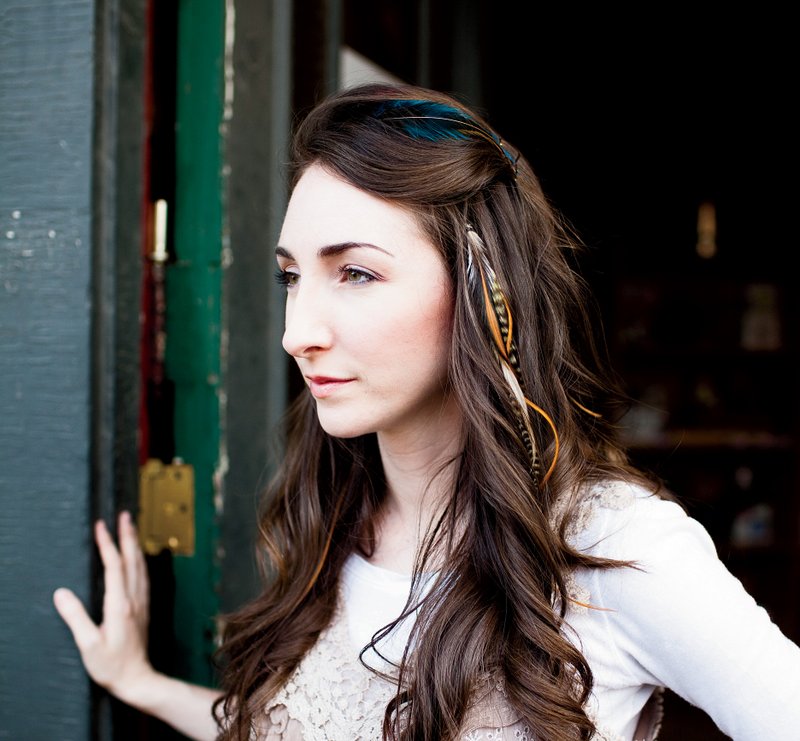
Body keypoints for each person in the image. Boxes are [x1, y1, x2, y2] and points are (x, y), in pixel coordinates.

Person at [54, 82, 800, 741]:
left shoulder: (612, 549)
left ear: (485, 293)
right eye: (291, 276)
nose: (296, 332)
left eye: (355, 272)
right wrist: (141, 683)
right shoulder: (330, 521)